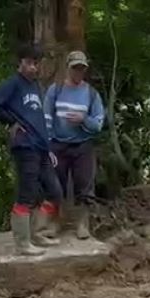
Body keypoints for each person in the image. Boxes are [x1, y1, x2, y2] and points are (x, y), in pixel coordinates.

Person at [0, 44, 64, 255]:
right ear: (20, 63)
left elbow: (38, 119)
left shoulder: (35, 86)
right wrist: (11, 122)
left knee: (54, 191)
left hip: (41, 146)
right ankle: (22, 243)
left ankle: (38, 233)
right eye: (29, 62)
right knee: (26, 194)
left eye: (36, 63)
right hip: (25, 146)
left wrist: (49, 147)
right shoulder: (14, 84)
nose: (33, 67)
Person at [45, 50, 105, 239]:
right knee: (55, 186)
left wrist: (83, 119)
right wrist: (47, 146)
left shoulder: (92, 94)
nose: (79, 71)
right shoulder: (55, 90)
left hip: (82, 146)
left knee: (84, 187)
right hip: (57, 145)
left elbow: (98, 124)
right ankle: (55, 223)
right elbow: (46, 118)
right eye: (75, 68)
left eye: (82, 68)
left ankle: (82, 224)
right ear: (68, 68)